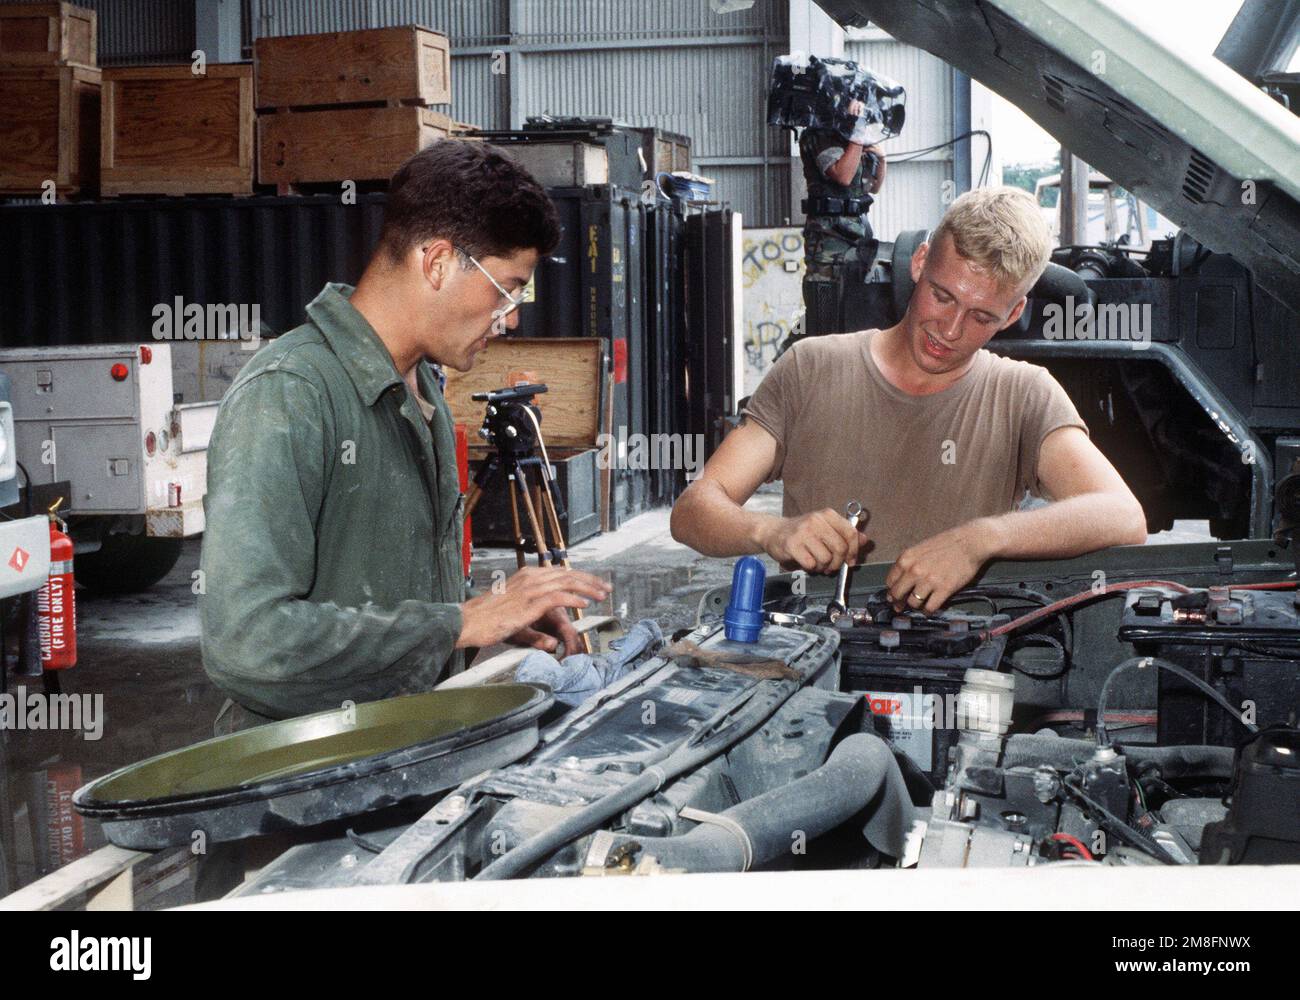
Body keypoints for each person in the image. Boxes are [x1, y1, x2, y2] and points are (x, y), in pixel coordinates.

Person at [199, 140, 611, 733]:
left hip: (409, 757)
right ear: (438, 261)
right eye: (507, 289)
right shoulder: (289, 394)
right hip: (302, 786)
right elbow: (247, 643)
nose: (513, 316)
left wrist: (490, 617)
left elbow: (387, 593)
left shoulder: (424, 393)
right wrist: (457, 624)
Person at [671, 186, 1147, 612]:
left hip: (956, 666)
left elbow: (1122, 515)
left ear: (1013, 313)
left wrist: (982, 539)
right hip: (817, 650)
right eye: (942, 296)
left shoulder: (1022, 394)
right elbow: (693, 512)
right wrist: (771, 532)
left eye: (982, 316)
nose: (951, 330)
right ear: (919, 263)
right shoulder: (809, 367)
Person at [799, 98, 887, 336]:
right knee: (822, 316)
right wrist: (857, 136)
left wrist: (881, 158)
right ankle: (788, 363)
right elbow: (843, 176)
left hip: (857, 241)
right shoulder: (817, 135)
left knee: (851, 313)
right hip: (828, 242)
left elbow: (872, 186)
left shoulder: (852, 140)